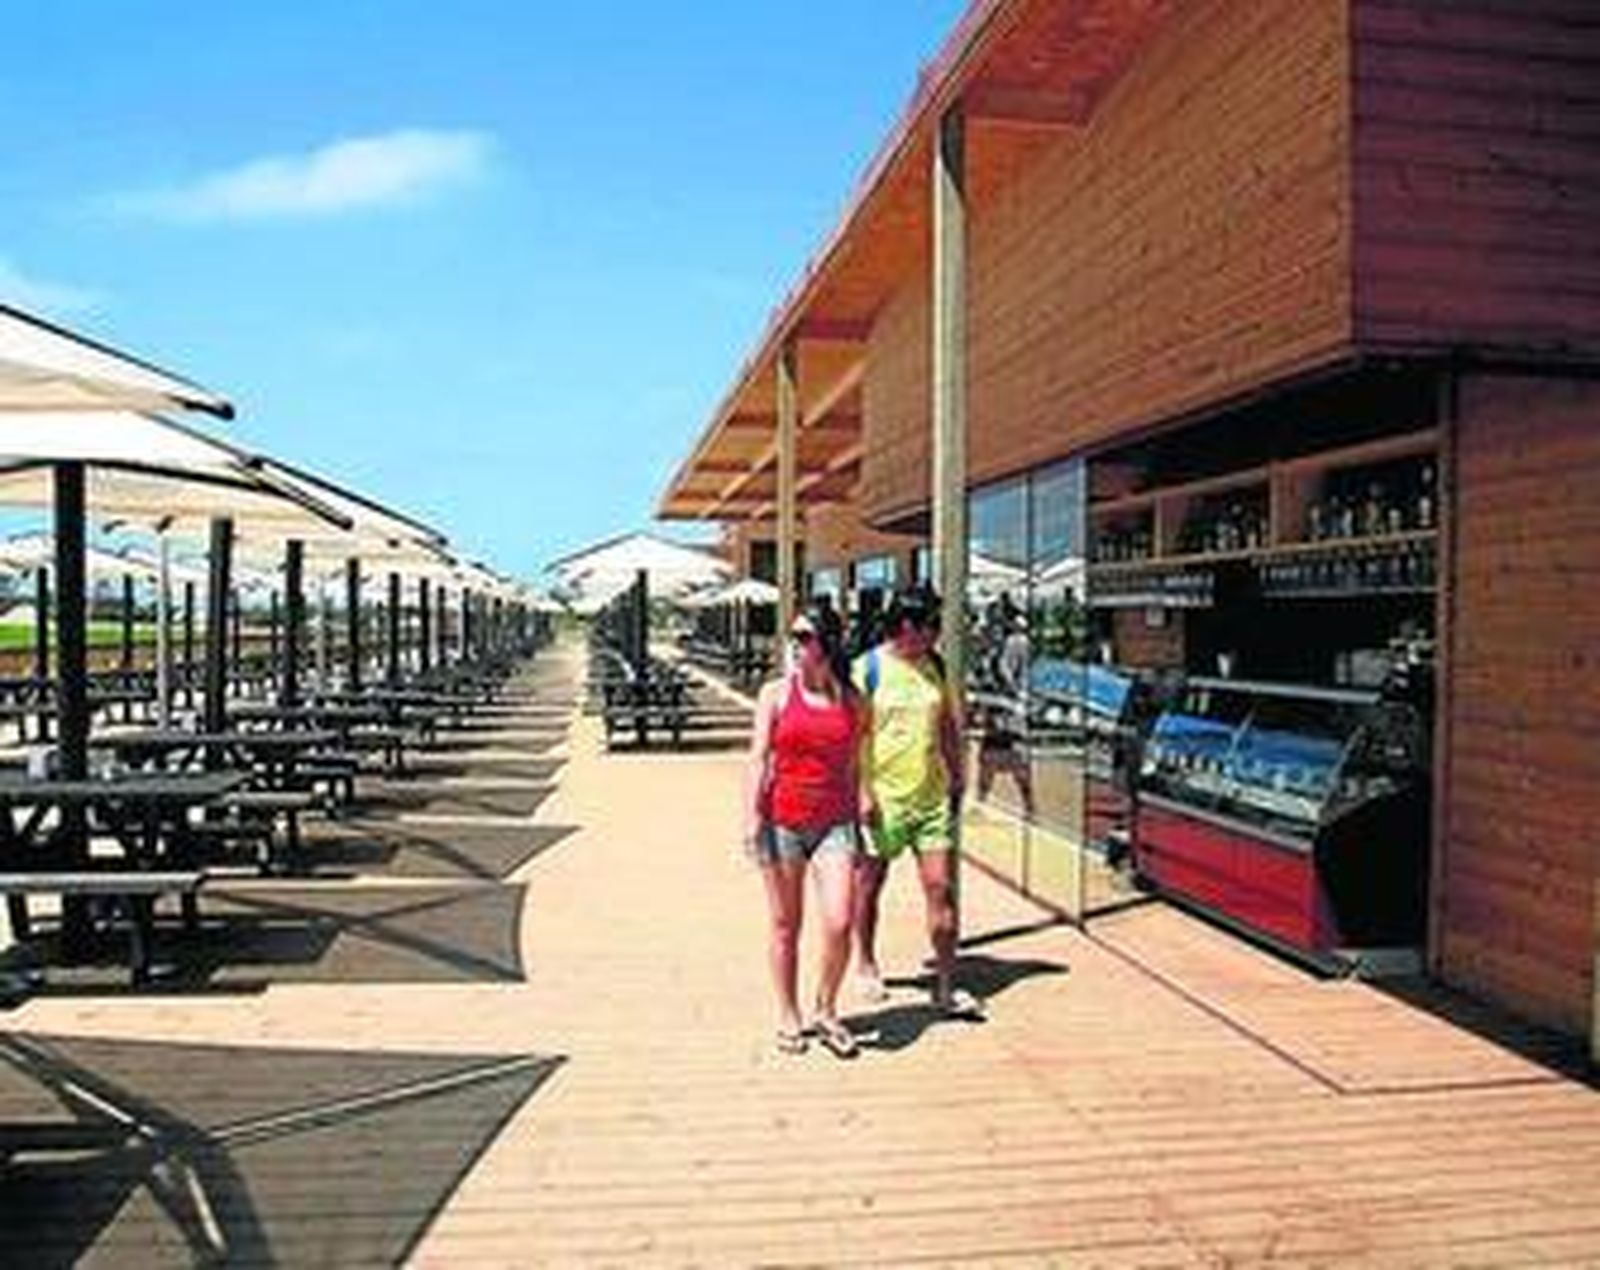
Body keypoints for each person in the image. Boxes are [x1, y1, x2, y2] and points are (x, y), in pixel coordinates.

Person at [853, 584, 984, 1019]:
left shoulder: (935, 666)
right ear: (906, 625)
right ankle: (865, 962)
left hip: (931, 800)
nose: (937, 633)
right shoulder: (867, 669)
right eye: (931, 624)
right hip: (883, 801)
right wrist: (862, 791)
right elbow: (851, 738)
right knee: (869, 886)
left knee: (941, 887)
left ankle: (945, 985)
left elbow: (946, 724)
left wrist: (958, 774)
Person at [744, 604, 865, 1058]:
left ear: (827, 643)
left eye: (804, 637)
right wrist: (751, 815)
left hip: (835, 823)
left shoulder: (853, 700)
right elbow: (758, 757)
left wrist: (862, 811)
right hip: (783, 822)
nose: (794, 645)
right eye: (792, 637)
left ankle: (826, 1009)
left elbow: (855, 764)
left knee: (840, 920)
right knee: (785, 925)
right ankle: (788, 1013)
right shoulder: (775, 694)